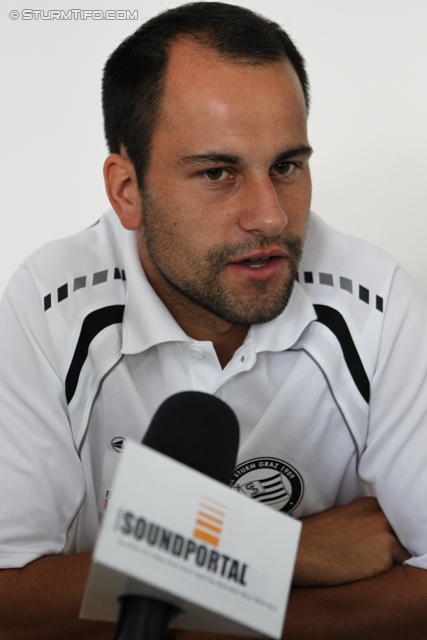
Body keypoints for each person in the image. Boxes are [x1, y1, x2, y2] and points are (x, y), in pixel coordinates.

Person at [0, 2, 426, 638]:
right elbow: (13, 597)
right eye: (218, 172)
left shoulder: (378, 297)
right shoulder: (48, 302)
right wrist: (278, 550)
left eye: (286, 166)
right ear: (127, 191)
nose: (271, 217)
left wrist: (160, 601)